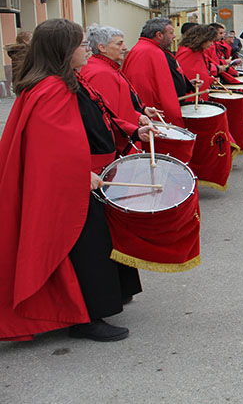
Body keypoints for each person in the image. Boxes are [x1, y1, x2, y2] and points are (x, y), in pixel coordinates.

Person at [1, 19, 156, 342]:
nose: (86, 49)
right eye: (80, 44)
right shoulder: (50, 89)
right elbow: (49, 148)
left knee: (100, 241)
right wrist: (80, 175)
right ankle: (85, 318)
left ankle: (111, 297)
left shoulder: (66, 81)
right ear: (62, 51)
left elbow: (96, 117)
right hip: (72, 182)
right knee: (86, 248)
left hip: (86, 174)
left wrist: (130, 130)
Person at [80, 25, 158, 154]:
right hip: (119, 143)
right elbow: (110, 114)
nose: (125, 48)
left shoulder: (105, 67)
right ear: (102, 48)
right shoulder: (101, 73)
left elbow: (121, 105)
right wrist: (132, 131)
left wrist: (139, 113)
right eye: (119, 44)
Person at [122, 18, 194, 127]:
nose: (174, 36)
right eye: (171, 33)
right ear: (159, 35)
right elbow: (165, 90)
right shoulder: (153, 52)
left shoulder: (142, 48)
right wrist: (174, 117)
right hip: (154, 114)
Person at [175, 24, 232, 95]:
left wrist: (209, 80)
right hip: (192, 96)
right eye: (210, 41)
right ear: (202, 39)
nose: (212, 44)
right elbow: (184, 77)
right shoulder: (187, 53)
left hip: (201, 92)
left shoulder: (199, 51)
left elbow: (201, 71)